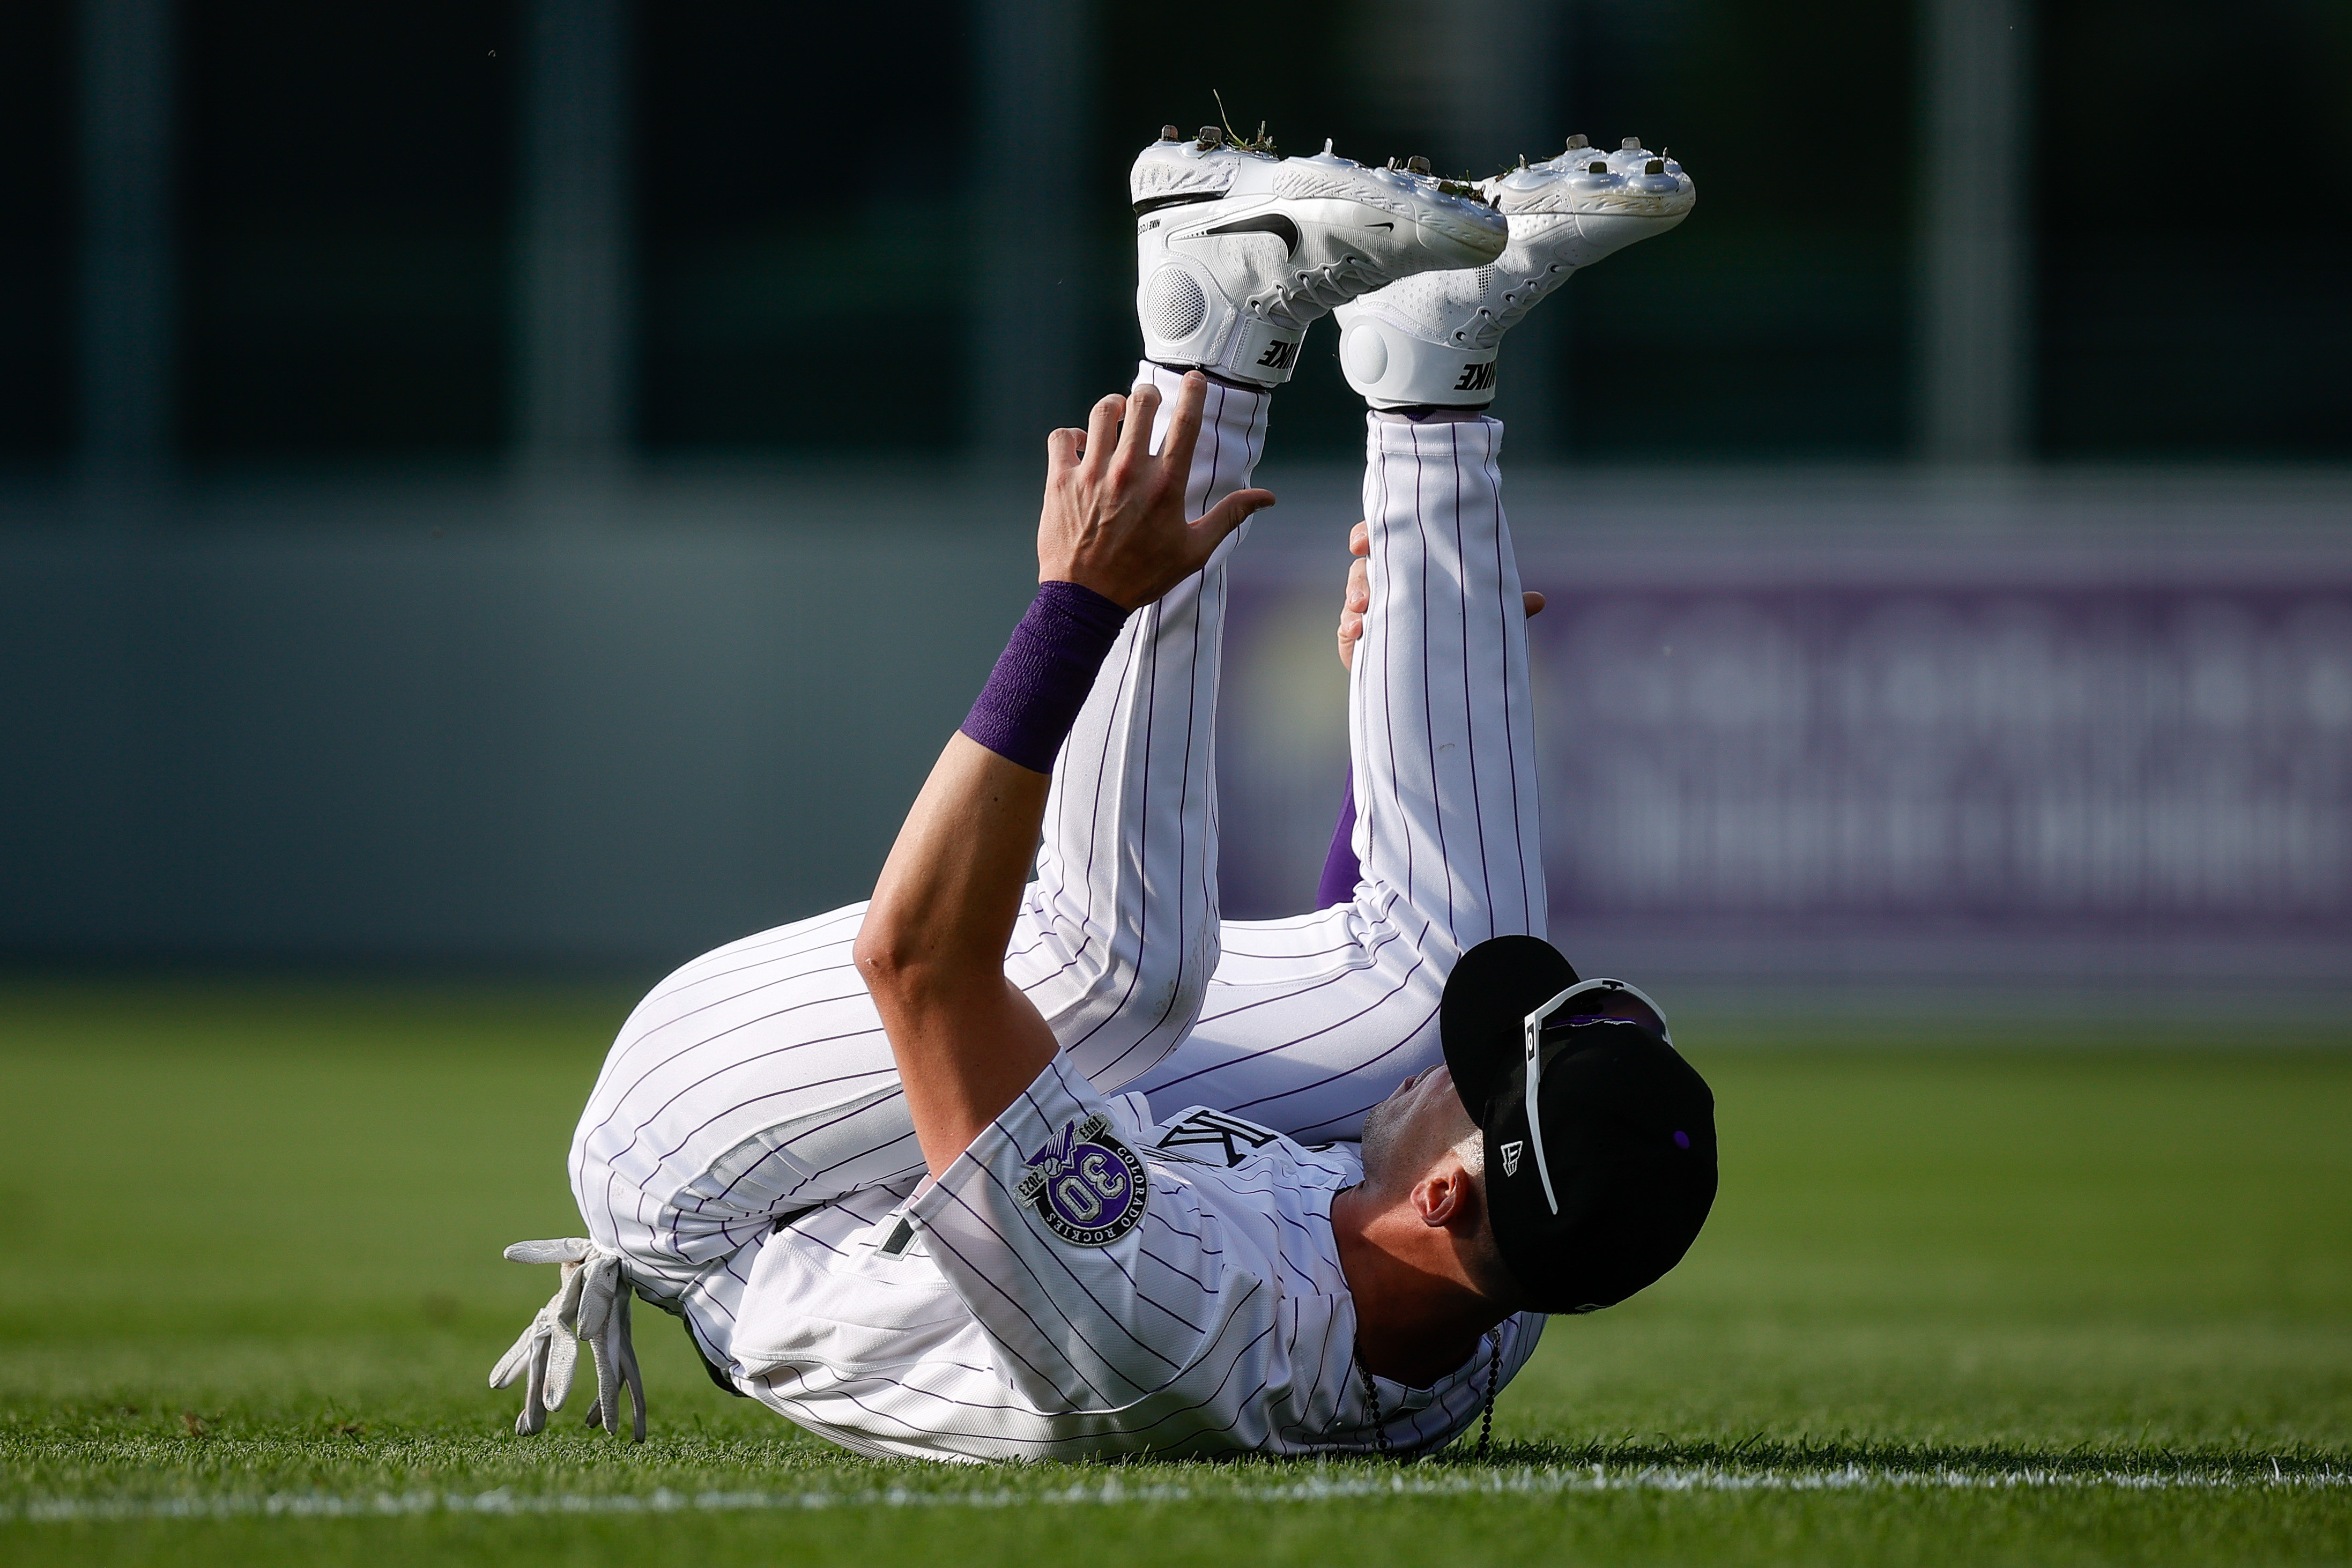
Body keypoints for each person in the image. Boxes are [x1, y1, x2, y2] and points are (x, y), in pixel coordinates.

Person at [488, 124, 1717, 1462]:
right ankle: (1433, 367)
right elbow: (1393, 995)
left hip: (719, 1181)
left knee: (1116, 973)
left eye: (1477, 1080)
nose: (1461, 1054)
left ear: (1440, 1191)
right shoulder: (1502, 1283)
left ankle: (1202, 327)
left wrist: (1078, 606)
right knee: (1418, 983)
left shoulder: (1170, 1314)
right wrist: (1397, 704)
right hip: (949, 1153)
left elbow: (917, 965)